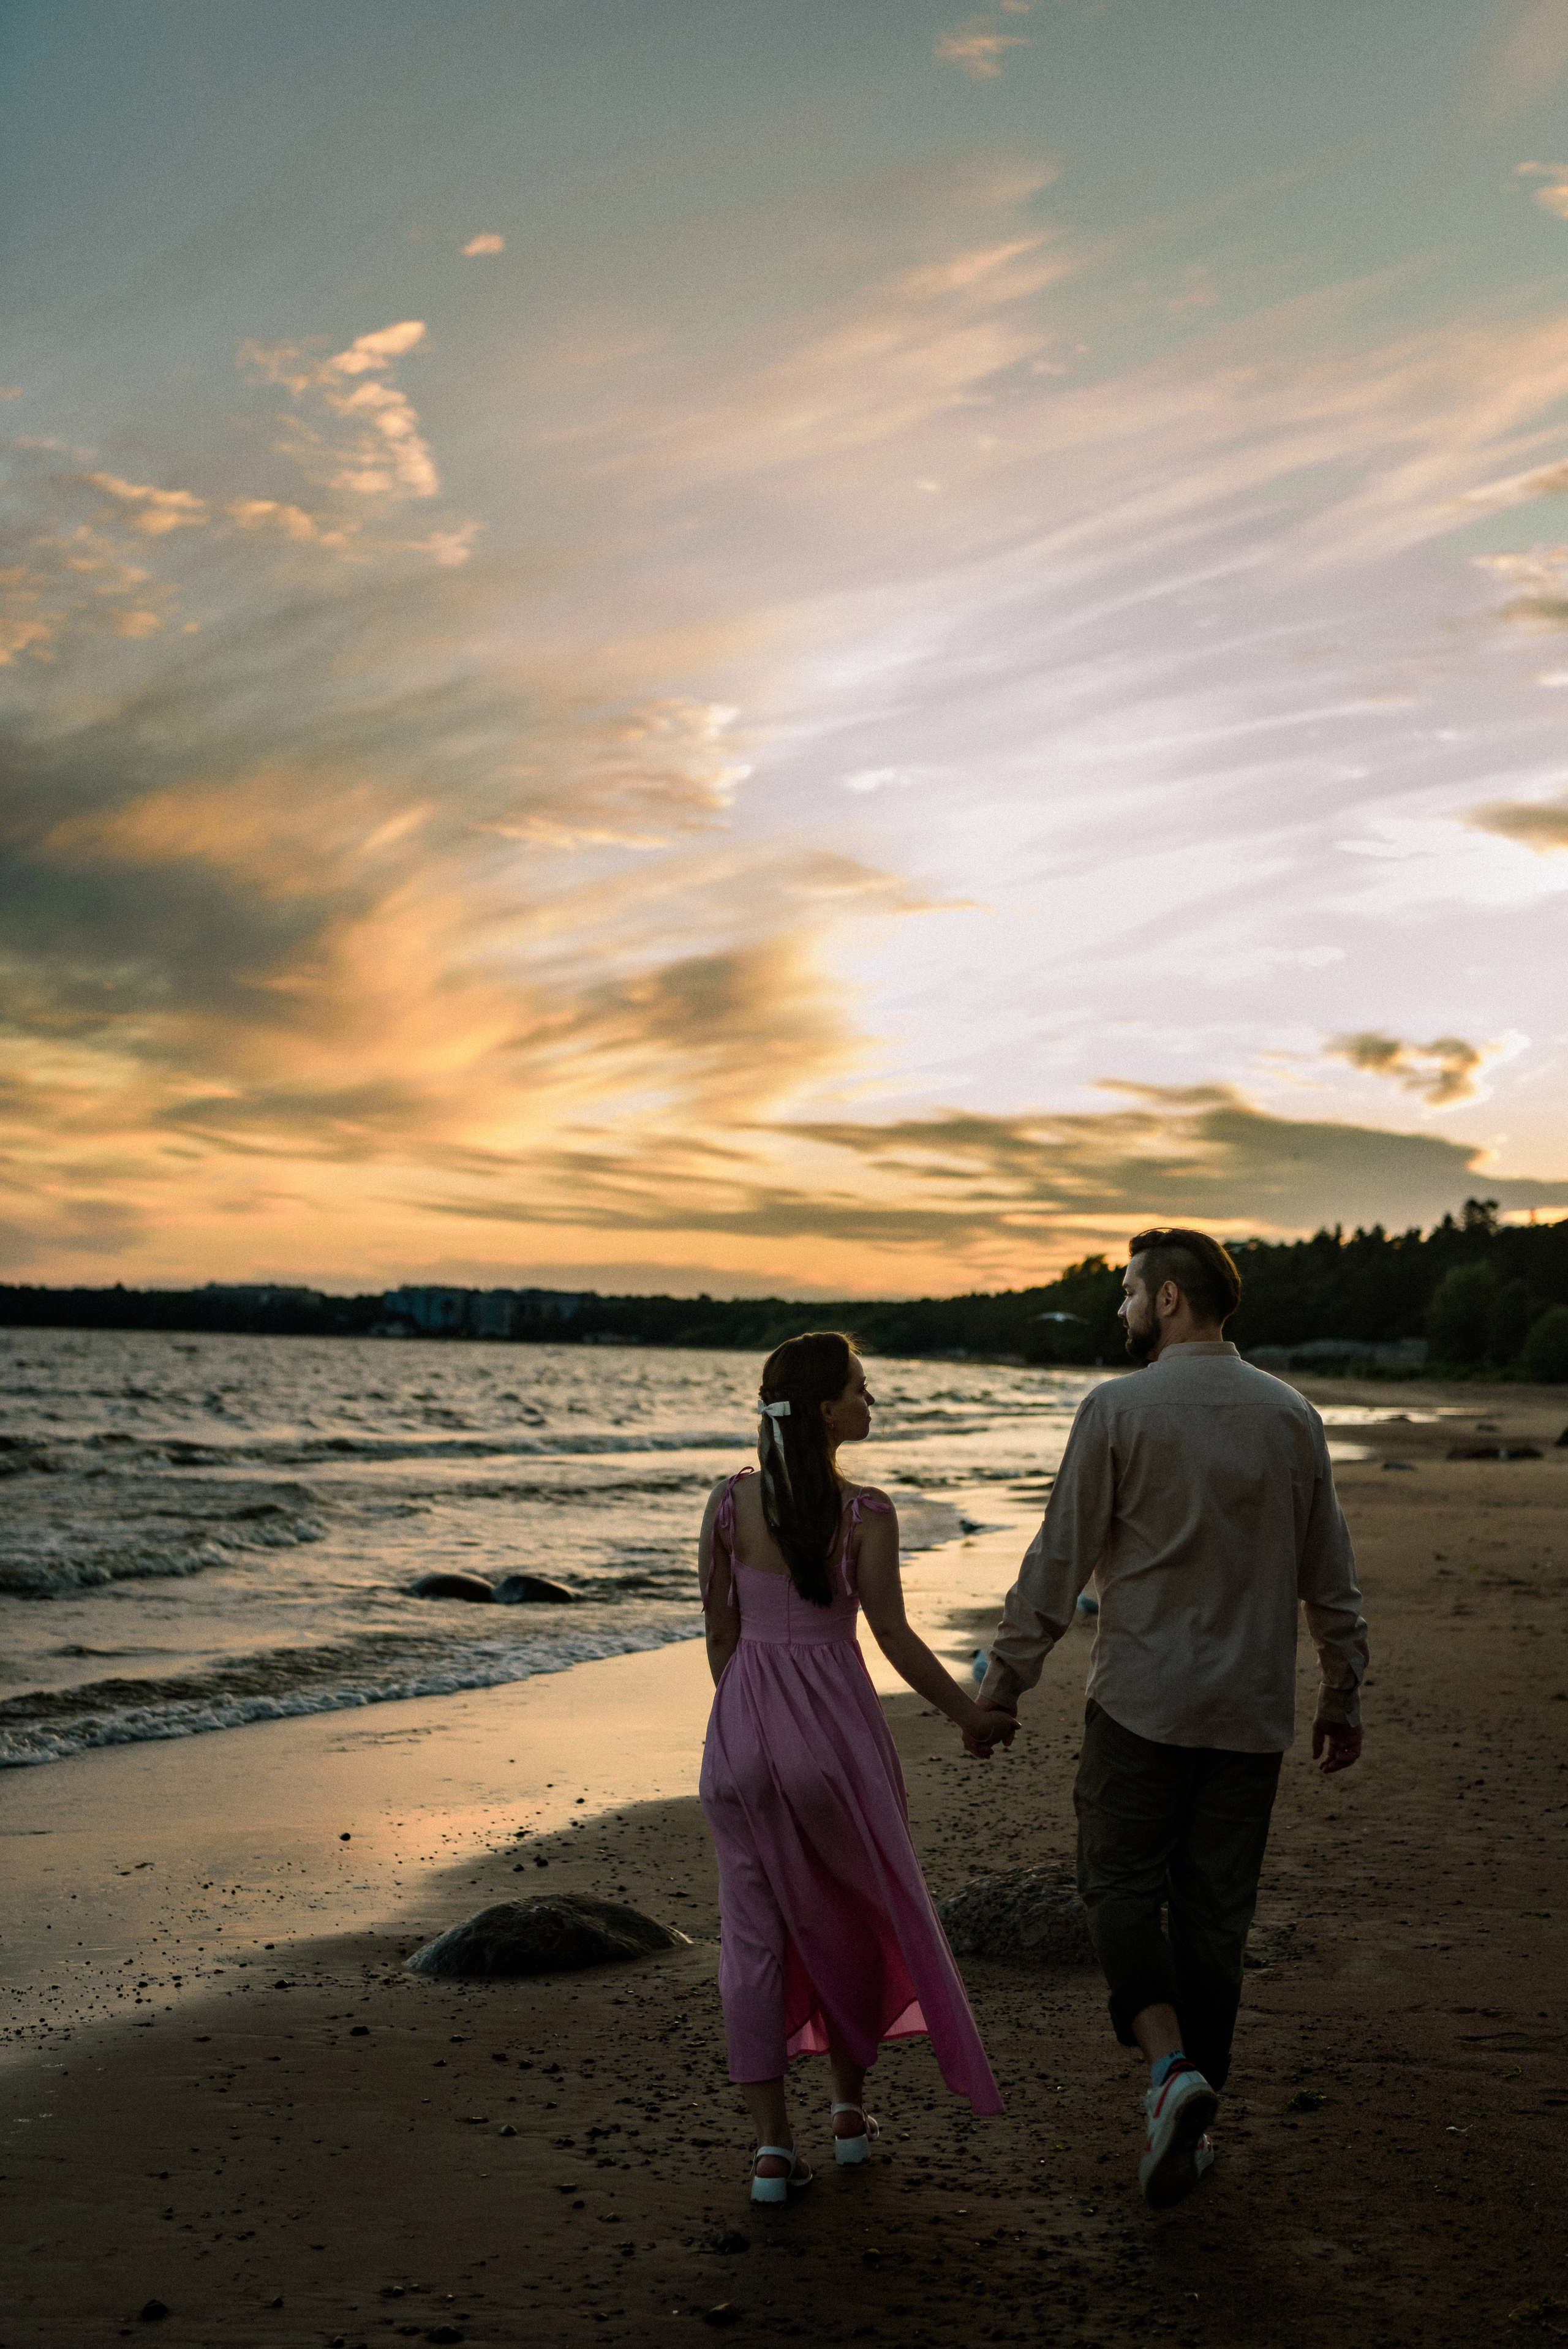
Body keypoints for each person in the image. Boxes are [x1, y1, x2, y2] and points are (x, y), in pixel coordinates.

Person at [974, 1228, 1368, 2209]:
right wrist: (1342, 1689)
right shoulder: (1292, 1415)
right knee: (1214, 1920)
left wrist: (1005, 1683)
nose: (1122, 1309)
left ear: (1173, 1301)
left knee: (1113, 1882)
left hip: (1143, 1703)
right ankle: (1189, 2122)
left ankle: (1166, 2070)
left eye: (1128, 1291)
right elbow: (1332, 1574)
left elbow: (1058, 1562)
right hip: (1250, 1711)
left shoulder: (1117, 1409)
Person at [698, 1330, 1014, 2205]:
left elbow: (722, 1636)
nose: (870, 1403)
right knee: (850, 1918)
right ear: (827, 1411)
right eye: (861, 1390)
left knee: (754, 1940)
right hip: (833, 1744)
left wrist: (746, 1725)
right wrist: (971, 1716)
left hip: (740, 1741)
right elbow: (895, 1637)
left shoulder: (727, 1506)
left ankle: (770, 2152)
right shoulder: (867, 1513)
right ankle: (846, 2113)